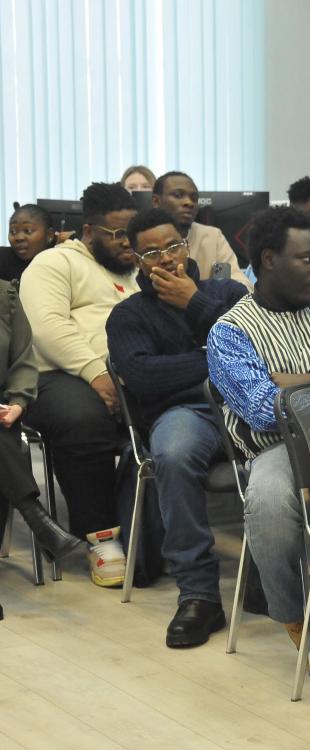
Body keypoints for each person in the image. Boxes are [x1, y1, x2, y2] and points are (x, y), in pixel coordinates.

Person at [207, 206, 310, 683]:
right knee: (268, 503)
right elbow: (266, 410)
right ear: (268, 259)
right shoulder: (230, 333)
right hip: (283, 449)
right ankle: (302, 620)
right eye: (305, 259)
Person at [106, 208, 248, 648]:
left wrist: (194, 304)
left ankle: (273, 576)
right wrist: (217, 362)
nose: (166, 258)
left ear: (186, 245)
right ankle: (199, 595)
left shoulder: (227, 293)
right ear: (137, 260)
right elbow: (144, 378)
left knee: (299, 446)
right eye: (152, 253)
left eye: (172, 246)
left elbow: (257, 348)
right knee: (172, 454)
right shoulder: (128, 315)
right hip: (185, 413)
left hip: (246, 406)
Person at [19, 182, 140, 586]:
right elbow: (47, 328)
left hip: (124, 374)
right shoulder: (53, 263)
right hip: (55, 375)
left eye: (130, 232)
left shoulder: (133, 271)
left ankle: (150, 533)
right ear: (89, 231)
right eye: (117, 233)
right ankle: (102, 538)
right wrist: (95, 372)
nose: (127, 242)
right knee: (83, 420)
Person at [0, 277, 81, 570]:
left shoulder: (4, 295)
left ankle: (38, 519)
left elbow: (22, 360)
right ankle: (37, 517)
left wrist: (18, 401)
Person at [152, 171, 252, 287]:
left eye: (194, 198)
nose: (189, 202)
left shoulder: (212, 237)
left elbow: (233, 282)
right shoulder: (143, 239)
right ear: (156, 201)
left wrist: (198, 295)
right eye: (178, 195)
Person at [2, 204, 58, 282]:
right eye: (13, 231)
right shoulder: (2, 258)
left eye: (28, 231)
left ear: (49, 235)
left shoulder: (59, 262)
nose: (19, 238)